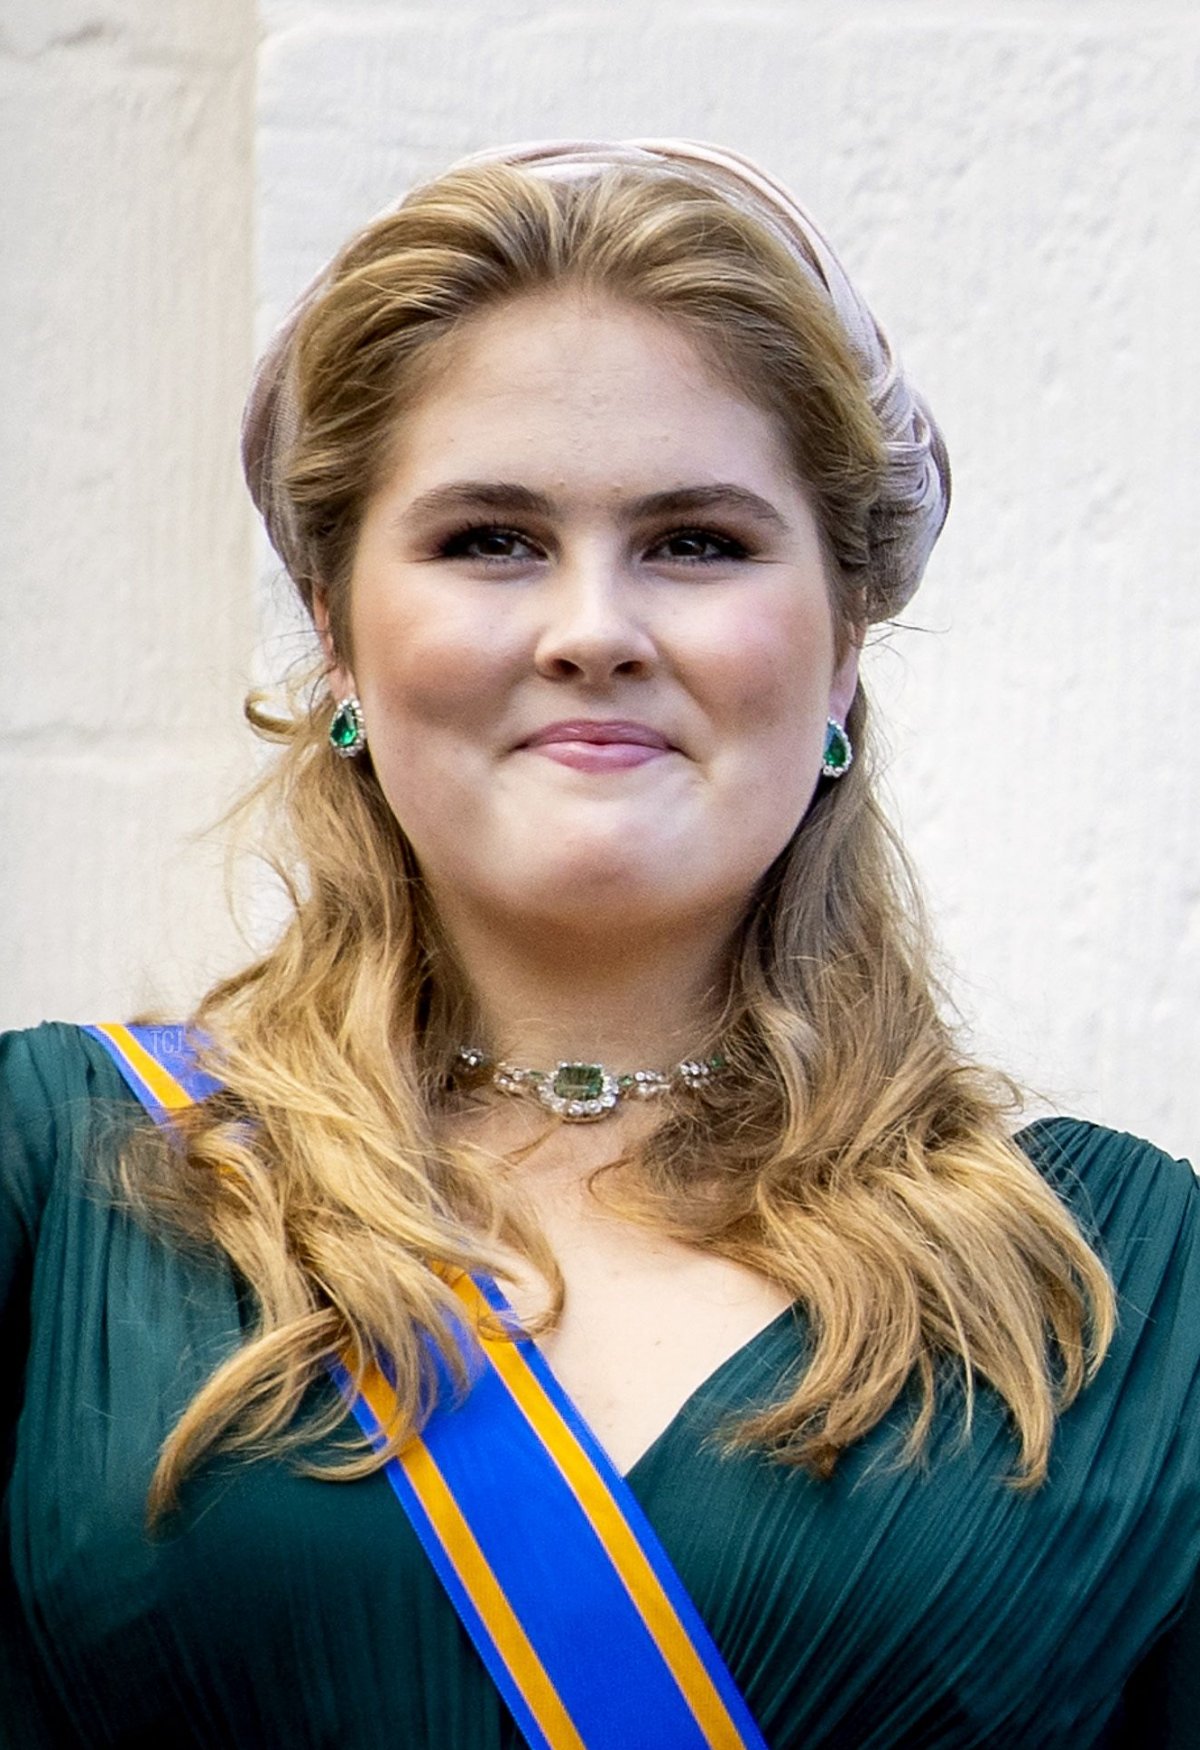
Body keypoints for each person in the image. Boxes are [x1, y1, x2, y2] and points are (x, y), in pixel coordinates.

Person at [2, 137, 1198, 1749]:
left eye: (697, 541)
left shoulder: (1120, 1287)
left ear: (845, 645)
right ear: (336, 628)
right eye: (488, 538)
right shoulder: (63, 1178)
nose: (592, 628)